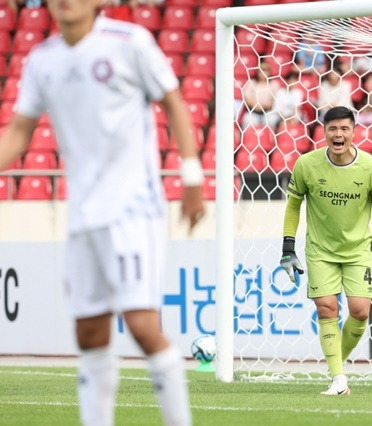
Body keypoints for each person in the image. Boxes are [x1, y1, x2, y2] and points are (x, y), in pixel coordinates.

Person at [0, 0, 205, 424]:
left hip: (132, 210)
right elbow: (19, 131)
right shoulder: (43, 61)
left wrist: (191, 177)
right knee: (89, 334)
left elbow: (174, 102)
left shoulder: (130, 43)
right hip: (82, 215)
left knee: (143, 326)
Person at [280, 106, 372, 395]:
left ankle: (336, 365)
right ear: (324, 132)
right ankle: (339, 378)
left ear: (354, 132)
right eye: (332, 129)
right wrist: (287, 248)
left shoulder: (371, 168)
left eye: (344, 128)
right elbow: (293, 206)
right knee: (327, 307)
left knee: (360, 312)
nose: (338, 134)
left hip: (357, 251)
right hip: (320, 251)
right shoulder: (306, 165)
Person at [242, 62, 280, 130]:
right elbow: (247, 98)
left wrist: (267, 105)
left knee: (271, 120)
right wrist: (257, 106)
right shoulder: (252, 82)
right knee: (247, 120)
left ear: (269, 72)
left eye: (265, 71)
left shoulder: (274, 84)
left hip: (268, 112)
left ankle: (270, 139)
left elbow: (276, 99)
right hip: (253, 112)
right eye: (261, 71)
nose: (263, 73)